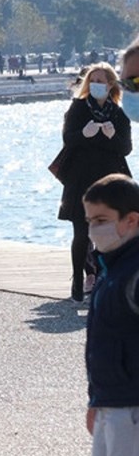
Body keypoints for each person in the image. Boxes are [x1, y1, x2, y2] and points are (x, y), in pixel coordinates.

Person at [59, 62, 132, 302]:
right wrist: (84, 134)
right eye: (93, 80)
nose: (96, 85)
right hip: (80, 180)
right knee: (81, 233)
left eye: (101, 81)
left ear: (111, 85)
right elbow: (68, 139)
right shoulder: (78, 109)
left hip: (108, 181)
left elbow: (126, 148)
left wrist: (112, 137)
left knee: (107, 233)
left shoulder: (119, 114)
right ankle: (78, 282)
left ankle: (102, 279)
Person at [80, 174, 139, 456]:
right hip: (110, 401)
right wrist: (96, 399)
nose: (93, 229)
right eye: (90, 221)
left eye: (101, 220)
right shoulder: (109, 269)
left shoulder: (133, 272)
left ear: (131, 220)